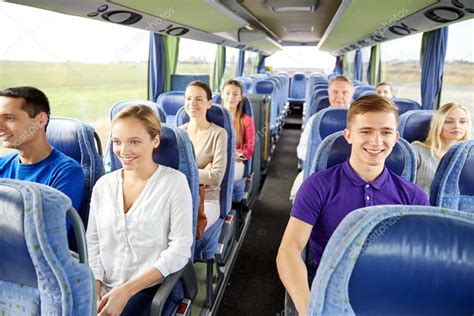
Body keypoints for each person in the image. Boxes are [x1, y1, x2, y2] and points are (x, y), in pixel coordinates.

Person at [277, 94, 429, 316]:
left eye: (385, 132)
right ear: (348, 135)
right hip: (330, 293)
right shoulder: (317, 186)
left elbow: (418, 262)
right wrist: (309, 310)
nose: (376, 141)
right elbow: (289, 251)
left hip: (389, 296)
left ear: (396, 137)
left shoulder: (414, 197)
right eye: (366, 131)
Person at [87, 105, 193, 315]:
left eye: (134, 141)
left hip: (150, 289)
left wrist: (126, 291)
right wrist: (95, 289)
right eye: (117, 142)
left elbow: (180, 249)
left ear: (155, 141)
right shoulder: (103, 185)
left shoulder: (174, 183)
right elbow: (93, 243)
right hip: (104, 286)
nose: (123, 151)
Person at [0, 86, 84, 222]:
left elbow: (49, 231)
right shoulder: (2, 164)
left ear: (41, 120)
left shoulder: (66, 173)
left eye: (9, 118)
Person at [290, 76, 354, 201]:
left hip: (354, 173)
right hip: (319, 172)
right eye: (335, 92)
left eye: (345, 93)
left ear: (352, 94)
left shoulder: (361, 120)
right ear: (329, 94)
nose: (339, 97)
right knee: (297, 196)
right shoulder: (316, 120)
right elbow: (301, 151)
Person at [180, 81, 228, 232]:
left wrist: (186, 172)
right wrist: (201, 172)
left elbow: (215, 177)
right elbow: (168, 173)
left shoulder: (219, 134)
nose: (192, 103)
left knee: (185, 227)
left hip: (207, 200)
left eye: (199, 99)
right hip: (179, 197)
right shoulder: (178, 133)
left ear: (209, 103)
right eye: (188, 98)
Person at [411, 102, 471, 195]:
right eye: (448, 121)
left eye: (462, 121)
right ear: (438, 124)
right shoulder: (416, 151)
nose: (457, 126)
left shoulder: (470, 157)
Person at [221, 79, 255, 181]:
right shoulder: (212, 117)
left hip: (235, 162)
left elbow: (248, 150)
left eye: (235, 94)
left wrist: (233, 154)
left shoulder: (246, 120)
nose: (231, 97)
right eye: (227, 93)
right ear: (222, 95)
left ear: (240, 97)